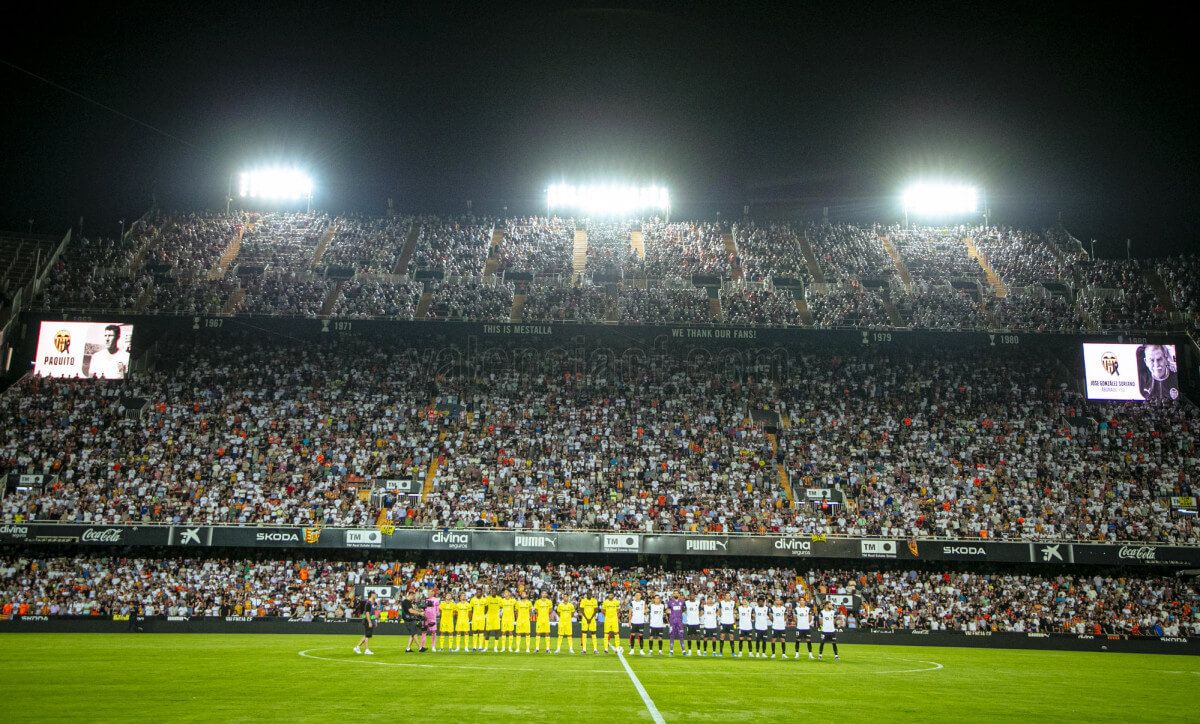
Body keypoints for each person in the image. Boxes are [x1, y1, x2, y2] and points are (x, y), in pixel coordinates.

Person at [629, 591, 647, 655]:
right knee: (633, 635)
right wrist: (629, 621)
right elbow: (630, 612)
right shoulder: (632, 603)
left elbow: (646, 609)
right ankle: (632, 650)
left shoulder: (643, 602)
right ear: (635, 596)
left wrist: (645, 611)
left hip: (641, 621)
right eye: (636, 595)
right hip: (634, 621)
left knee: (641, 636)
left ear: (640, 596)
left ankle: (641, 650)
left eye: (639, 595)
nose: (637, 596)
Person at [719, 592, 736, 657]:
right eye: (727, 596)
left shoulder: (733, 603)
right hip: (723, 622)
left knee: (731, 637)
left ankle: (733, 652)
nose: (728, 597)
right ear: (725, 596)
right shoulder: (721, 602)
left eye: (729, 596)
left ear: (730, 596)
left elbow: (734, 613)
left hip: (731, 623)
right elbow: (719, 612)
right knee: (722, 636)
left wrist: (734, 624)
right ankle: (720, 652)